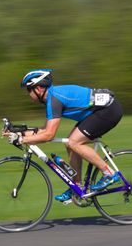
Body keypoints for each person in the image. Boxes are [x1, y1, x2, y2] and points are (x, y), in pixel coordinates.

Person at [8, 69, 123, 202]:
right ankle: (77, 187)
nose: (28, 95)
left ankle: (109, 173)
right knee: (70, 144)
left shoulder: (54, 100)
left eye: (29, 90)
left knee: (74, 142)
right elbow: (44, 130)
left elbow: (49, 135)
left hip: (108, 110)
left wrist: (22, 139)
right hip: (97, 111)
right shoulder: (52, 98)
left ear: (38, 89)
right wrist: (18, 132)